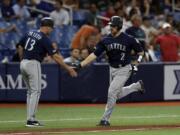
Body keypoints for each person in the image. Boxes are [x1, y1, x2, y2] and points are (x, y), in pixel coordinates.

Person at [73, 16, 145, 126]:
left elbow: (140, 52)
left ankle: (105, 119)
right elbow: (94, 54)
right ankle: (136, 86)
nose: (111, 28)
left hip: (124, 69)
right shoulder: (105, 40)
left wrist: (137, 64)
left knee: (111, 92)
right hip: (112, 68)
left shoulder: (129, 39)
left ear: (119, 27)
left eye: (113, 26)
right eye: (111, 26)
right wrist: (81, 64)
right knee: (117, 93)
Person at [17, 17, 77, 127]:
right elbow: (55, 57)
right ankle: (31, 120)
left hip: (23, 63)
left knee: (30, 92)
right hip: (33, 64)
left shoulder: (30, 32)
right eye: (51, 28)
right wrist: (68, 68)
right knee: (36, 92)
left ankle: (29, 118)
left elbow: (20, 46)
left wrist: (22, 60)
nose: (52, 30)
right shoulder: (44, 38)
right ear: (47, 27)